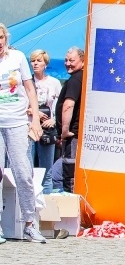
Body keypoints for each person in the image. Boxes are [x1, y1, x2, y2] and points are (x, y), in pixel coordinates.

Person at [0, 23, 44, 243]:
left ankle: (29, 223)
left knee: (23, 172)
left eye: (0, 37)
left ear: (5, 38)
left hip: (17, 120)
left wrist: (35, 119)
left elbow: (30, 89)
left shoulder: (17, 57)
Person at [28, 49, 60, 194]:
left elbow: (59, 106)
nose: (35, 63)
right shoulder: (26, 83)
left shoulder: (54, 82)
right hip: (29, 128)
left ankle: (46, 207)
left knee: (46, 170)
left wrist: (54, 119)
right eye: (33, 61)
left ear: (45, 64)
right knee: (27, 169)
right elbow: (20, 105)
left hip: (48, 130)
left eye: (38, 61)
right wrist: (34, 112)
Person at [55, 46, 84, 194]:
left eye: (72, 60)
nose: (67, 63)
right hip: (72, 134)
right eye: (66, 60)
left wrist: (65, 131)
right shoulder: (78, 78)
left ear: (83, 61)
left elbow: (68, 105)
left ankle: (72, 212)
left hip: (72, 134)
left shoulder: (75, 80)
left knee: (69, 175)